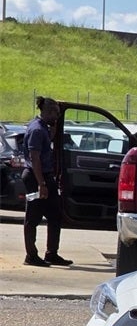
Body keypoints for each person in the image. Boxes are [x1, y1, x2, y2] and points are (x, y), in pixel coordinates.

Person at [22, 96, 72, 267]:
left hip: (45, 176)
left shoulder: (43, 127)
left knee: (55, 215)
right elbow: (34, 158)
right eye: (56, 114)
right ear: (48, 111)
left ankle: (51, 253)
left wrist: (55, 128)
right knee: (33, 217)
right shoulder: (36, 129)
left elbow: (47, 142)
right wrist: (41, 184)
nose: (57, 116)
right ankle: (31, 255)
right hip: (36, 177)